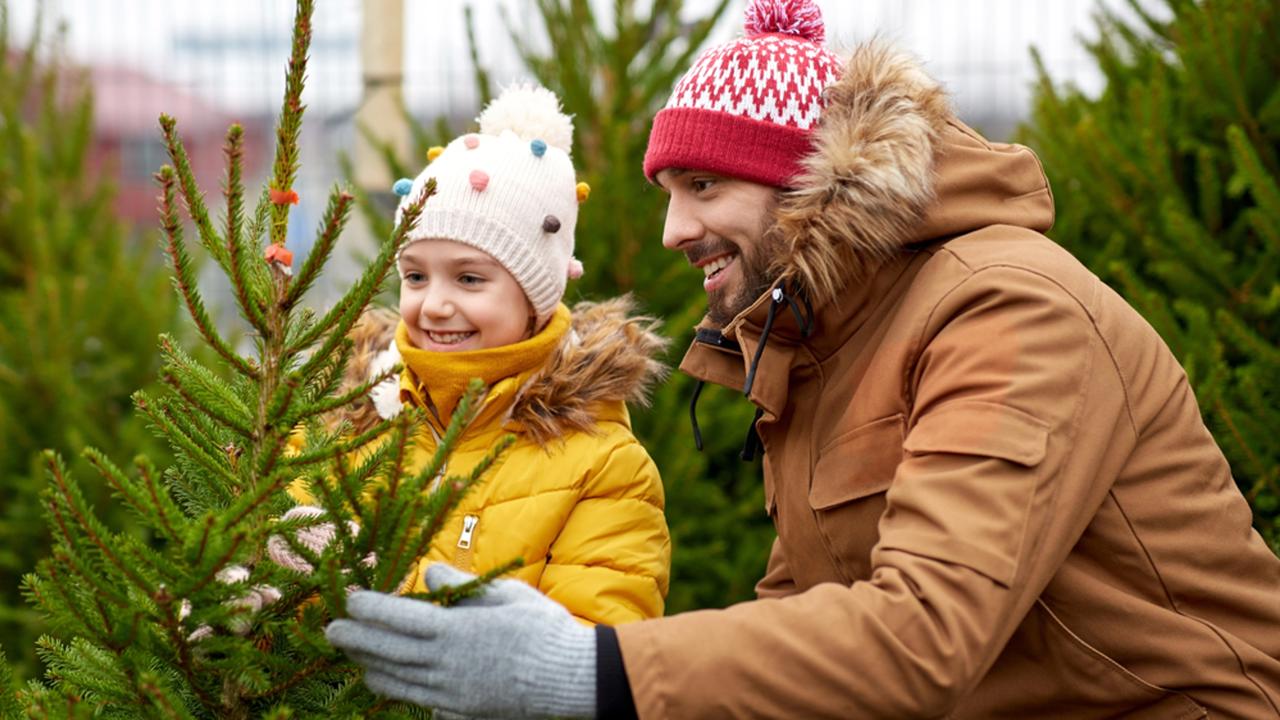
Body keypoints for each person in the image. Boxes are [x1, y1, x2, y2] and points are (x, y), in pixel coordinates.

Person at [326, 1, 1280, 717]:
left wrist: (594, 675)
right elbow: (803, 611)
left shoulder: (1011, 311)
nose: (672, 229)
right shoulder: (820, 338)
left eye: (702, 186)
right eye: (668, 190)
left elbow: (924, 634)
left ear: (811, 186)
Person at [289, 84, 671, 631]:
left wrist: (382, 586)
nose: (435, 305)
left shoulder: (604, 465)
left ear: (535, 295)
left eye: (469, 278)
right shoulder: (348, 415)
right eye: (415, 276)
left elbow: (583, 660)